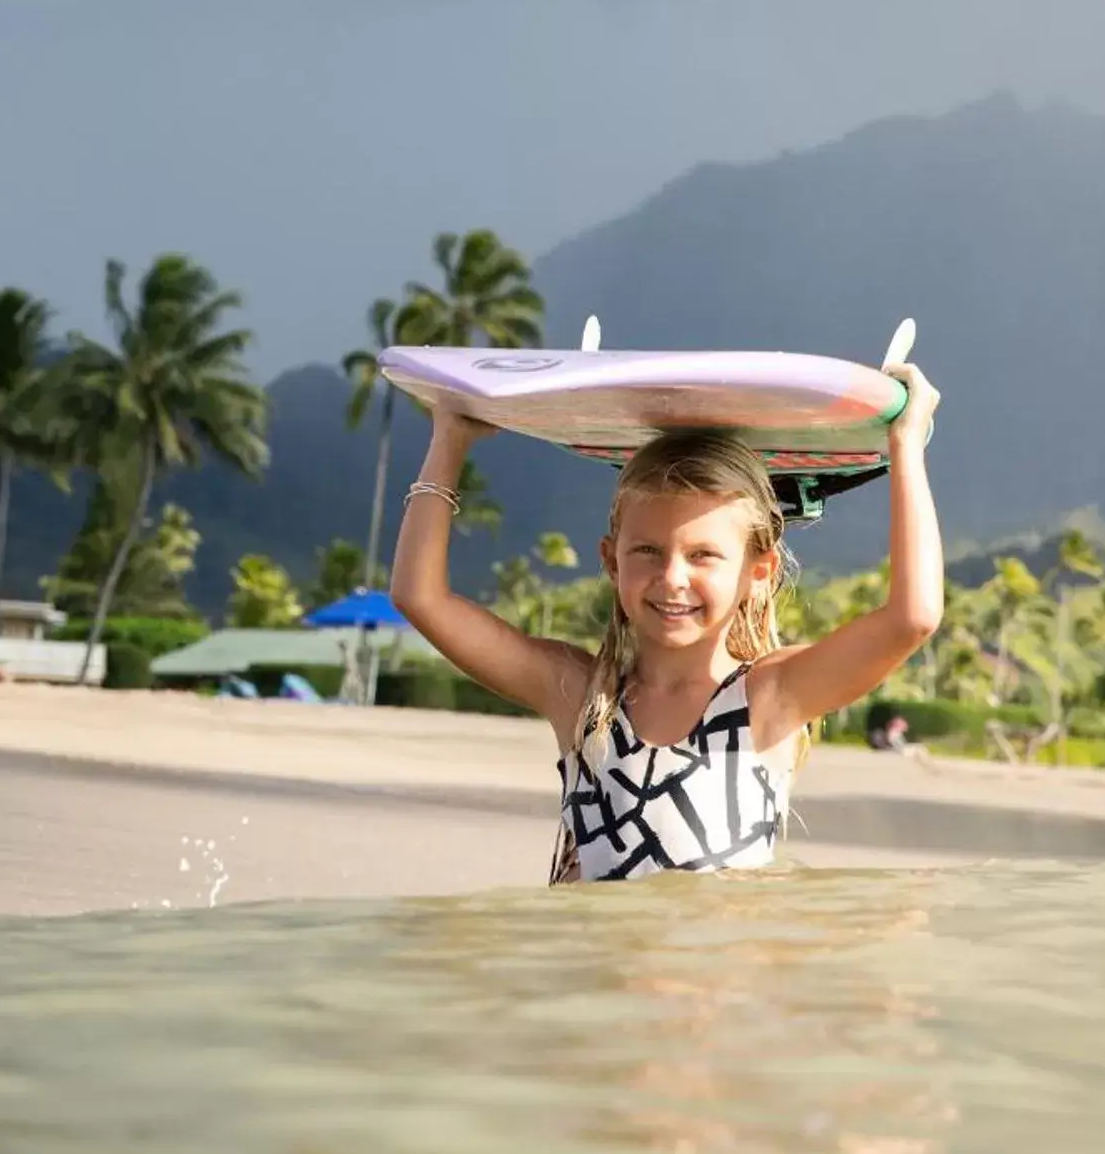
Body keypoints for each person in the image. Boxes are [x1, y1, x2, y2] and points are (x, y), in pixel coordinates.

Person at [390, 365, 941, 883]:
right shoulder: (581, 696)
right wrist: (449, 439)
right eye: (648, 551)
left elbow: (911, 618)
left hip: (720, 985)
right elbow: (421, 598)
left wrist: (906, 446)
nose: (672, 577)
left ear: (759, 571)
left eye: (703, 555)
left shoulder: (770, 697)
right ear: (610, 560)